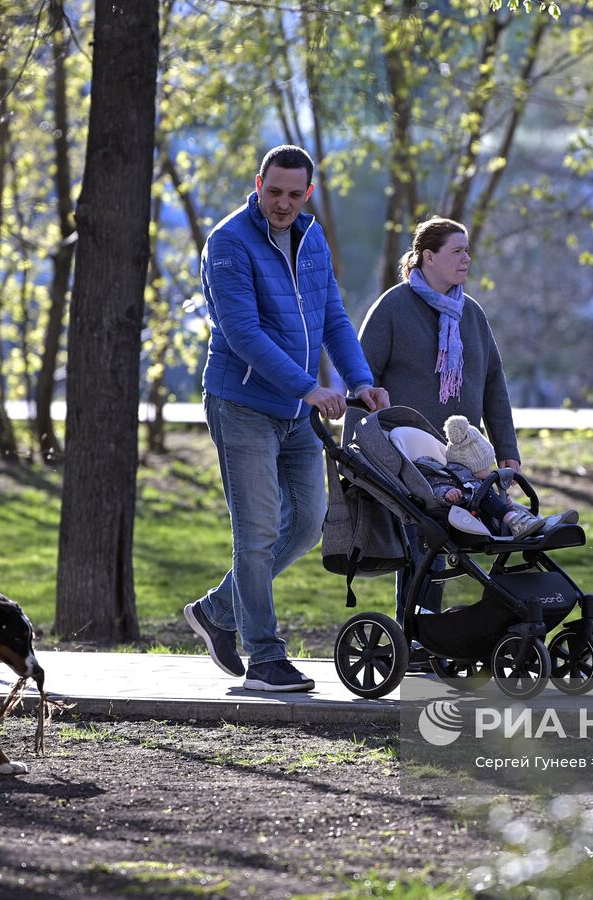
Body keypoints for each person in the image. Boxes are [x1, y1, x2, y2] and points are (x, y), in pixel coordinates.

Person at [184, 145, 388, 693]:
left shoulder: (312, 237)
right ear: (258, 183)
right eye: (274, 191)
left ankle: (216, 611)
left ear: (308, 194)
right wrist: (311, 387)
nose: (282, 203)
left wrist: (360, 380)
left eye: (294, 194)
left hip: (299, 410)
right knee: (254, 533)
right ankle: (265, 659)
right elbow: (243, 333)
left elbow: (332, 318)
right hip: (243, 406)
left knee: (306, 523)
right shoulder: (227, 244)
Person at [356, 217, 521, 617]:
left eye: (467, 250)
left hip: (466, 456)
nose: (467, 258)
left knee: (472, 541)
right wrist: (360, 454)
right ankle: (417, 636)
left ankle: (457, 633)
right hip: (410, 455)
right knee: (423, 544)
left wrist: (508, 452)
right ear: (428, 256)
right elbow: (360, 379)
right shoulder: (393, 308)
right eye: (457, 250)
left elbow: (494, 385)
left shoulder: (473, 315)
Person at [417, 415, 577, 538]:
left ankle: (542, 524)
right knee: (486, 494)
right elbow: (435, 488)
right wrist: (447, 493)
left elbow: (492, 503)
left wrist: (502, 503)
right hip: (471, 519)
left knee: (513, 505)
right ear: (470, 465)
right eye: (484, 465)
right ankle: (525, 523)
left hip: (491, 517)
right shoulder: (452, 476)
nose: (488, 468)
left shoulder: (476, 480)